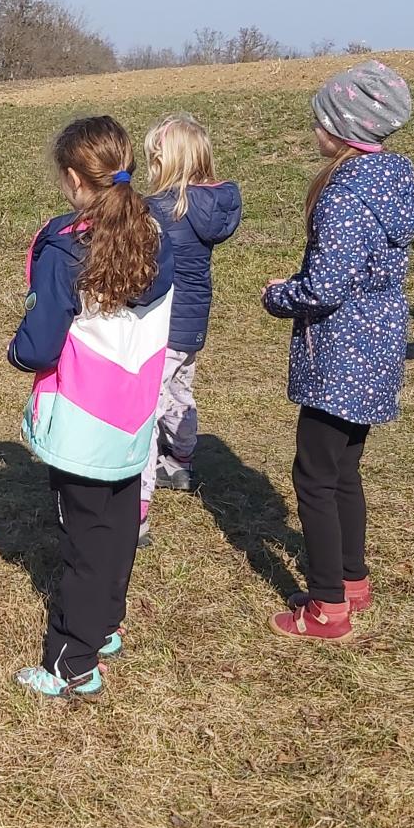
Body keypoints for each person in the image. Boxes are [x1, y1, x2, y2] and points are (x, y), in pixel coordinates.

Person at [7, 116, 174, 698]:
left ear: (74, 178)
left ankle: (70, 663)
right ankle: (104, 626)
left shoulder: (65, 245)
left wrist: (17, 350)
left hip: (82, 416)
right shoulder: (152, 232)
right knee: (119, 527)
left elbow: (39, 344)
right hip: (135, 410)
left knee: (82, 544)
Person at [261, 60, 414, 640]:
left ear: (345, 127)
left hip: (342, 352)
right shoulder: (391, 180)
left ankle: (327, 607)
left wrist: (280, 294)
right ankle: (353, 580)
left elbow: (325, 288)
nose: (315, 129)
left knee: (313, 476)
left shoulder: (344, 197)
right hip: (377, 340)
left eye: (321, 120)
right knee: (343, 468)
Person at [139, 114, 241, 538]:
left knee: (145, 409)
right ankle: (180, 461)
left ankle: (136, 506)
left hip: (161, 325)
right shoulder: (209, 208)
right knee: (180, 390)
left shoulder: (159, 210)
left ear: (165, 161)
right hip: (192, 323)